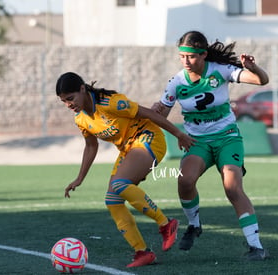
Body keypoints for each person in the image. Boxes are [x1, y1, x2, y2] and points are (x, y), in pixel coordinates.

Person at [55, 72, 195, 268]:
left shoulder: (111, 103)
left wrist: (179, 134)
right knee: (112, 201)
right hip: (128, 149)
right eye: (63, 101)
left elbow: (150, 114)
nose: (68, 104)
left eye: (70, 98)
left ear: (82, 89)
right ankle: (142, 252)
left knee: (119, 184)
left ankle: (166, 224)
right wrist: (80, 178)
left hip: (148, 138)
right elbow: (91, 146)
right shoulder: (81, 119)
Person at [152, 31, 270, 260]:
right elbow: (161, 115)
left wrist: (253, 68)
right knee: (185, 181)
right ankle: (194, 225)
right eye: (182, 56)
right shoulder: (176, 82)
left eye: (192, 57)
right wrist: (158, 111)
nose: (186, 61)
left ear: (204, 54)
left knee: (232, 188)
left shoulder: (221, 70)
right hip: (198, 142)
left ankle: (256, 246)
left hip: (227, 138)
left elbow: (261, 81)